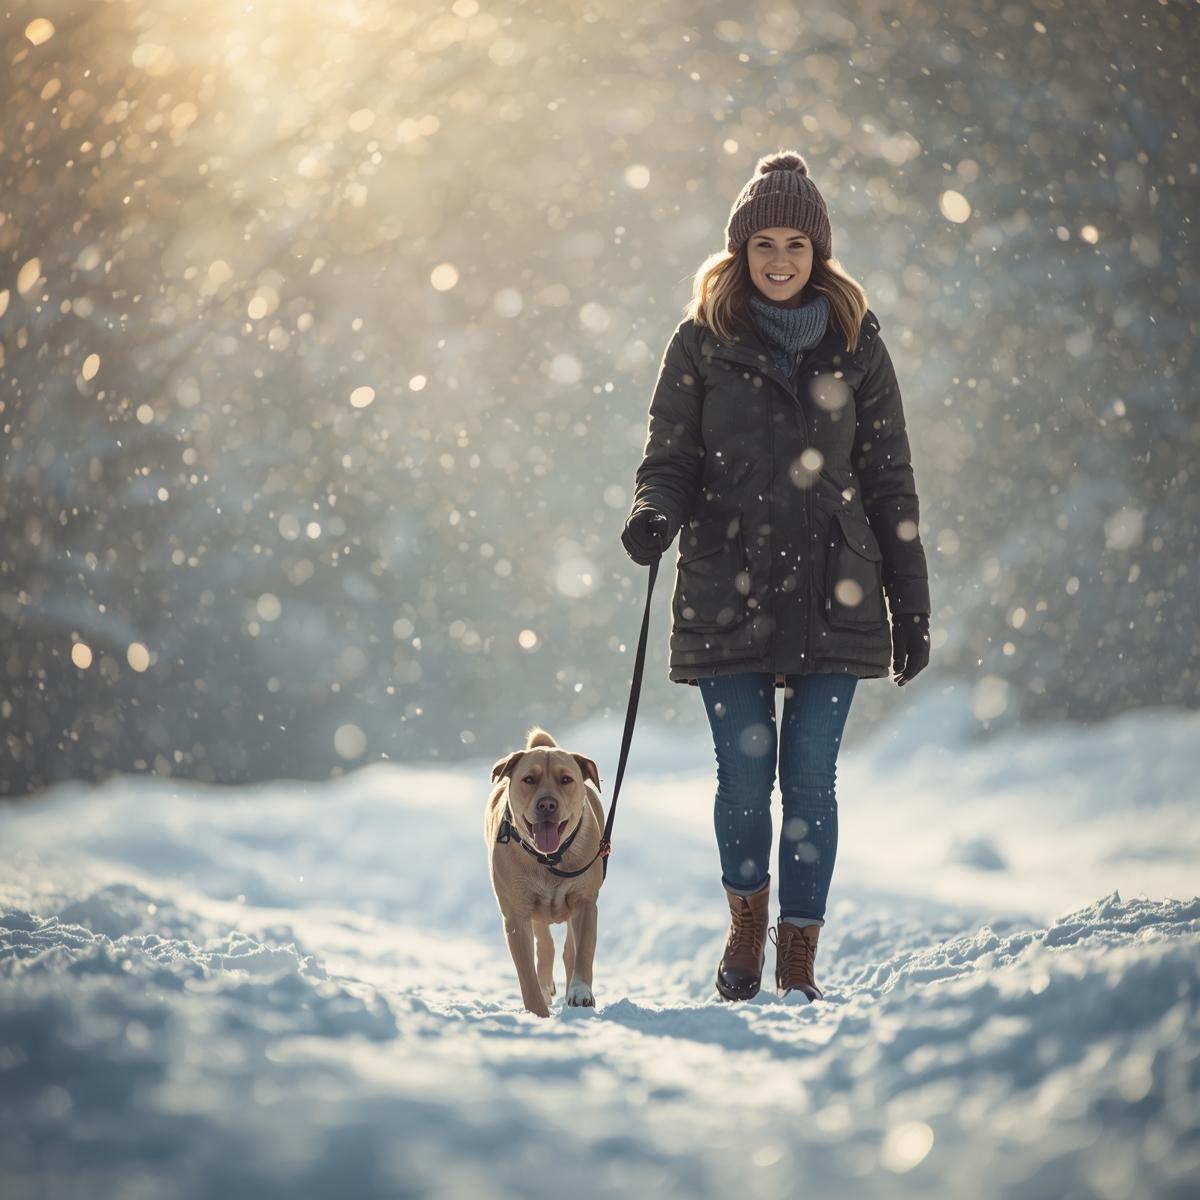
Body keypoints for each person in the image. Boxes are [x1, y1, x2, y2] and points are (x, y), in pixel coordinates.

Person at [620, 151, 931, 1004]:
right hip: (729, 582)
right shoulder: (700, 341)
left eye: (797, 241)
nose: (781, 259)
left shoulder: (857, 340)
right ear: (741, 250)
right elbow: (669, 456)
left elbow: (890, 482)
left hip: (840, 587)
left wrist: (913, 607)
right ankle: (747, 927)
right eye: (765, 243)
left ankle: (800, 949)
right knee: (745, 778)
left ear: (819, 251)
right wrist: (656, 513)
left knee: (811, 779)